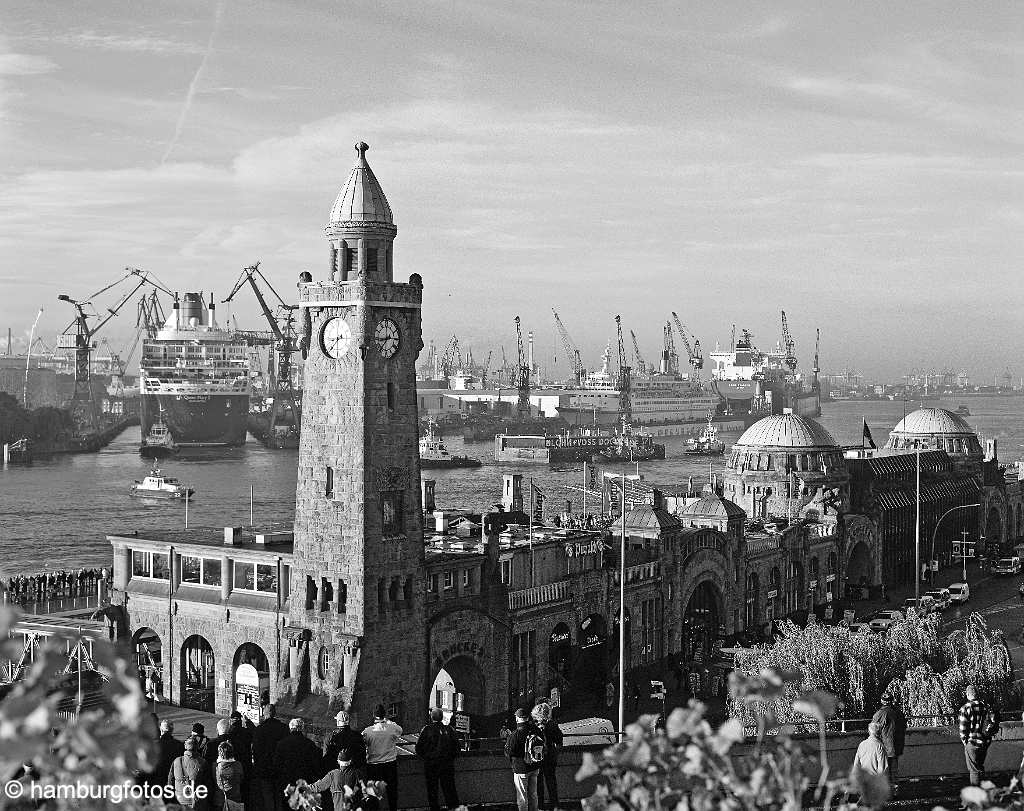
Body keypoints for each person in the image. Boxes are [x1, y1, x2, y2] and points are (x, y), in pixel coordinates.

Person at [415, 708, 460, 811]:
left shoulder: (426, 730)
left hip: (431, 765)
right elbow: (457, 748)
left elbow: (418, 748)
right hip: (447, 764)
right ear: (442, 717)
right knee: (450, 790)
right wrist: (449, 758)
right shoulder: (450, 730)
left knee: (432, 791)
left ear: (432, 717)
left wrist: (428, 757)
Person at [363, 705, 403, 811]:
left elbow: (363, 744)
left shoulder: (368, 731)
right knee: (392, 792)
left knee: (373, 793)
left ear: (373, 715)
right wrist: (388, 722)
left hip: (373, 765)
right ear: (384, 715)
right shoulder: (392, 728)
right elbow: (400, 730)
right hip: (390, 764)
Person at [959, 685, 1000, 786]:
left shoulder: (965, 708)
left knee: (974, 770)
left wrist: (966, 742)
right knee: (980, 767)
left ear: (968, 694)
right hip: (985, 742)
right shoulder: (985, 706)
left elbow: (963, 729)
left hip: (972, 743)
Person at [311, 749, 378, 811]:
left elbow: (318, 786)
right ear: (350, 761)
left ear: (338, 761)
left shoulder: (333, 774)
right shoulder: (357, 774)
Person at [505, 708, 543, 811]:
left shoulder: (515, 734)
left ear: (517, 719)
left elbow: (509, 752)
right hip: (535, 767)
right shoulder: (536, 730)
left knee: (522, 796)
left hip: (521, 769)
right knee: (533, 793)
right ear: (527, 718)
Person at [252, 704, 289, 811]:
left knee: (267, 795)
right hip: (279, 768)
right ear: (275, 713)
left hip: (264, 768)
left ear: (264, 714)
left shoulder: (260, 730)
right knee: (279, 795)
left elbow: (256, 750)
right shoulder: (284, 728)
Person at [274, 718, 322, 800]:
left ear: (290, 728)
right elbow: (315, 765)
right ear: (302, 729)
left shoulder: (282, 744)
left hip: (287, 782)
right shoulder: (310, 744)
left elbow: (277, 765)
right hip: (304, 782)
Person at [532, 703, 563, 811]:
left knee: (538, 784)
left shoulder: (533, 725)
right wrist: (555, 753)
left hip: (537, 758)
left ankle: (540, 806)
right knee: (551, 782)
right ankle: (554, 806)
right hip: (549, 757)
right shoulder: (552, 724)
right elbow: (559, 741)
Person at [168, 736, 211, 810]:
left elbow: (170, 782)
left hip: (180, 801)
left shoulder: (176, 761)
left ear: (185, 746)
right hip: (197, 803)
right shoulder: (203, 763)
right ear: (197, 747)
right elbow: (208, 784)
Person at [870, 696, 906, 783]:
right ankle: (894, 792)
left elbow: (873, 729)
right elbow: (904, 727)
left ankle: (885, 793)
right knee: (894, 772)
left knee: (883, 771)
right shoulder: (899, 712)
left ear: (882, 701)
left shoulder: (880, 714)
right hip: (896, 747)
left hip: (883, 747)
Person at [324, 710, 367, 776]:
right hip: (354, 773)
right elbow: (363, 756)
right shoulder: (358, 736)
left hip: (336, 774)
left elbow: (326, 758)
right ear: (348, 721)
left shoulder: (330, 737)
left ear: (338, 721)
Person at [154, 719, 185, 788]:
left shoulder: (154, 745)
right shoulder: (179, 745)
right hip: (174, 781)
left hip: (157, 781)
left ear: (161, 729)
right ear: (172, 730)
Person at [215, 741, 245, 811]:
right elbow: (241, 779)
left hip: (221, 799)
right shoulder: (238, 765)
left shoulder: (216, 767)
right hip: (236, 797)